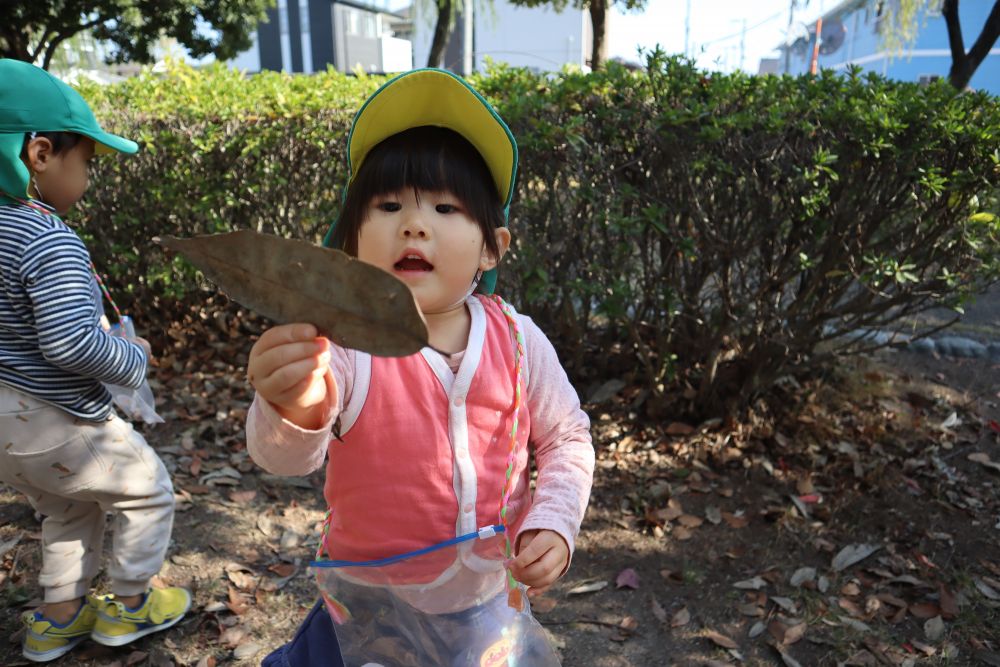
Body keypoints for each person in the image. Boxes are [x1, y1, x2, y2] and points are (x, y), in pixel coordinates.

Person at [246, 68, 595, 666]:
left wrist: (555, 521)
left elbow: (567, 437)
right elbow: (282, 458)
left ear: (492, 247)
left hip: (487, 601)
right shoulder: (347, 346)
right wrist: (292, 403)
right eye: (388, 205)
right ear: (352, 242)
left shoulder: (517, 342)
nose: (415, 223)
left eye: (445, 206)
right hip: (366, 608)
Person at [0, 60, 190, 663]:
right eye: (86, 163)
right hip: (54, 416)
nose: (88, 177)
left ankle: (57, 621)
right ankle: (131, 606)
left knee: (68, 506)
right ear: (39, 153)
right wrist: (130, 358)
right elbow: (70, 343)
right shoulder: (44, 237)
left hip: (6, 430)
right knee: (148, 491)